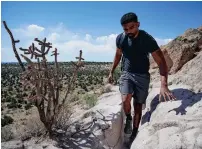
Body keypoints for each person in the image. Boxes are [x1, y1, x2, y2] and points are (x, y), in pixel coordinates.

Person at [108, 12, 176, 144]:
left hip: (143, 76)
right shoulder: (121, 38)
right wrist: (111, 71)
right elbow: (117, 55)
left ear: (138, 24)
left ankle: (134, 131)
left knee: (138, 105)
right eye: (125, 29)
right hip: (127, 73)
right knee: (125, 98)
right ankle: (128, 117)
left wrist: (164, 85)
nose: (129, 31)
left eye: (132, 27)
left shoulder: (147, 40)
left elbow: (161, 62)